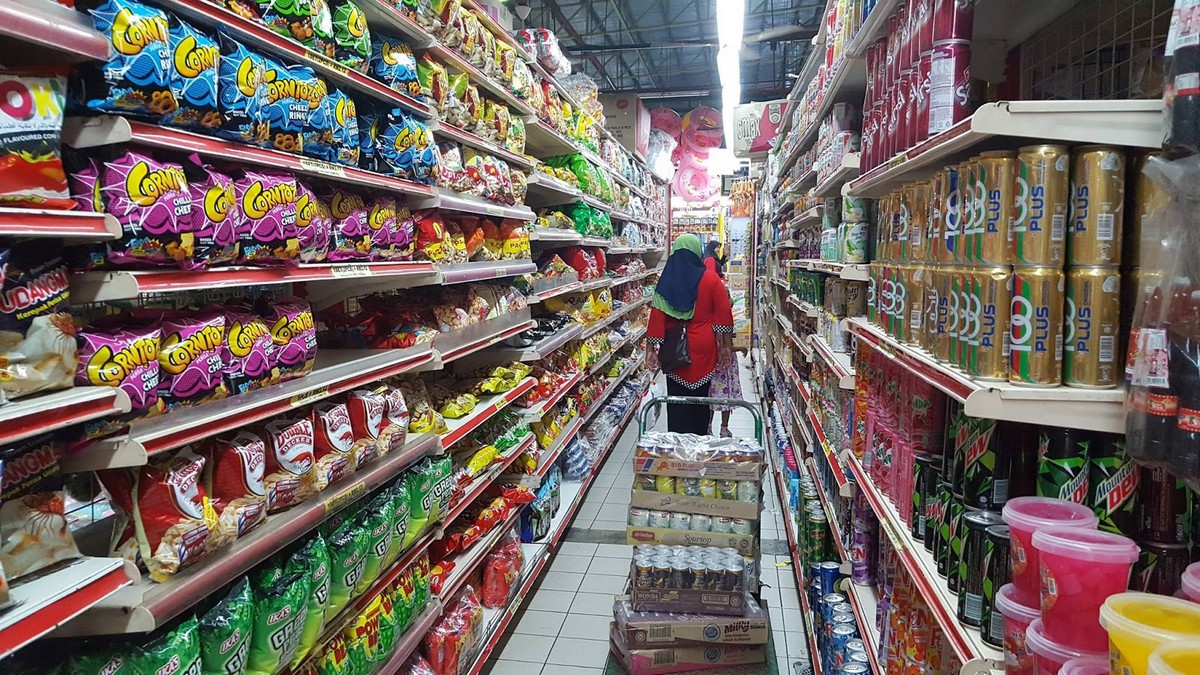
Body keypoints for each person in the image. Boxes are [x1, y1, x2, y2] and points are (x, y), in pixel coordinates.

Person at [646, 234, 735, 434]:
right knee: (701, 400)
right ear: (698, 251)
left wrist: (650, 350)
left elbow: (656, 318)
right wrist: (726, 346)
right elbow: (723, 315)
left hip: (674, 348)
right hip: (704, 348)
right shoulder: (710, 279)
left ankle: (678, 444)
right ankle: (699, 442)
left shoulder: (667, 281)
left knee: (676, 400)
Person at [704, 254, 743, 437]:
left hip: (717, 366)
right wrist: (740, 348)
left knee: (714, 398)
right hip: (722, 366)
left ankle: (712, 426)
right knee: (723, 399)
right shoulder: (721, 320)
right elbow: (725, 345)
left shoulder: (713, 318)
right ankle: (722, 427)